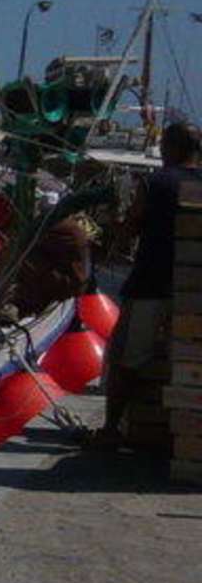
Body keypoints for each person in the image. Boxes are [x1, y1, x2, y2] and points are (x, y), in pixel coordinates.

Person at [95, 122, 200, 446]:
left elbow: (130, 228)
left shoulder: (154, 182)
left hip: (150, 283)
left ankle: (111, 430)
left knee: (127, 358)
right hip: (192, 291)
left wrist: (115, 235)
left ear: (171, 148)